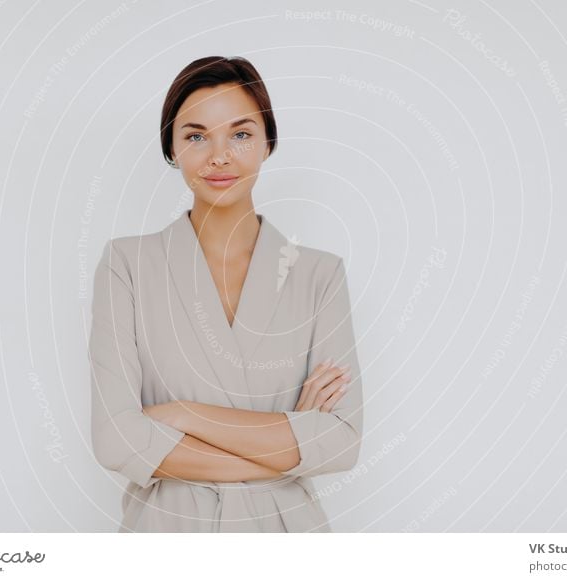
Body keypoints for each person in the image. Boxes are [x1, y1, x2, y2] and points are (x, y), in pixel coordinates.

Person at [89, 55, 363, 532]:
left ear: (267, 143)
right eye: (196, 135)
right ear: (171, 149)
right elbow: (116, 440)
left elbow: (341, 442)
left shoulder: (319, 274)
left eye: (240, 134)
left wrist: (182, 414)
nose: (219, 156)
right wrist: (288, 444)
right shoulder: (127, 266)